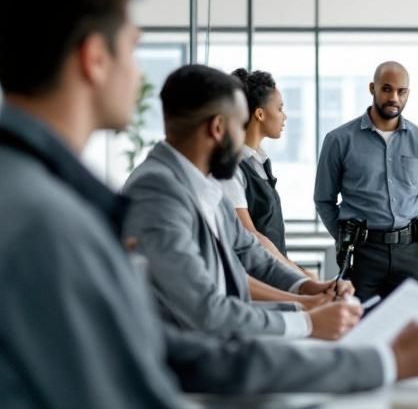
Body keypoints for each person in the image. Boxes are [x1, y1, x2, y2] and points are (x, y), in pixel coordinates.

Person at [0, 0, 418, 409]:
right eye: (134, 50)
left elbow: (208, 293)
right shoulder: (48, 221)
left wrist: (317, 303)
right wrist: (341, 339)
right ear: (95, 58)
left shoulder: (43, 197)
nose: (141, 76)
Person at [123, 64, 355, 340]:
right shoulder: (157, 191)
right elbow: (206, 311)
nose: (245, 138)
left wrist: (310, 289)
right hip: (185, 366)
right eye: (240, 124)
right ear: (219, 128)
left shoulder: (205, 186)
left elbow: (251, 255)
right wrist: (307, 321)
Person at [314, 61, 418, 302]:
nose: (394, 97)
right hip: (361, 254)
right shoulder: (339, 140)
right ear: (372, 88)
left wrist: (413, 236)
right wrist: (344, 238)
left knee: (408, 330)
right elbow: (323, 199)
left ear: (407, 94)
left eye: (401, 91)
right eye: (387, 89)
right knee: (359, 326)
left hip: (409, 253)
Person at [221, 67, 315, 279]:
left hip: (273, 274)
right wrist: (299, 276)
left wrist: (297, 270)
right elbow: (251, 236)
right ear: (260, 114)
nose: (285, 116)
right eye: (280, 108)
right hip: (255, 280)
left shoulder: (259, 162)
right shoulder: (232, 168)